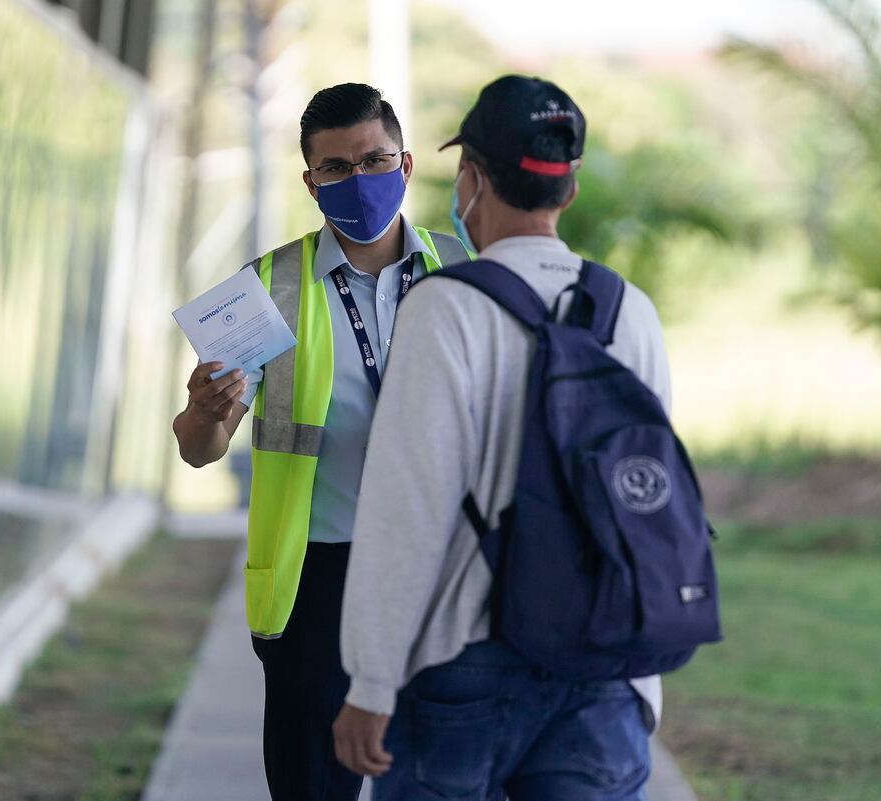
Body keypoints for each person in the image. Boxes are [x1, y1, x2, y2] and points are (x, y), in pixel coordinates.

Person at [333, 75, 672, 800]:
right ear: (569, 191)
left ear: (472, 178)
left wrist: (371, 678)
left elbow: (407, 510)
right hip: (604, 667)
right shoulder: (629, 311)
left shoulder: (445, 309)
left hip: (468, 663)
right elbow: (648, 495)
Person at [171, 82, 468, 801]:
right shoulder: (263, 289)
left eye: (374, 160)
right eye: (335, 168)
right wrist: (205, 410)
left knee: (441, 781)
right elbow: (197, 449)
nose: (357, 179)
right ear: (310, 182)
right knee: (313, 785)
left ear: (403, 166)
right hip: (317, 582)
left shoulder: (464, 271)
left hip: (445, 570)